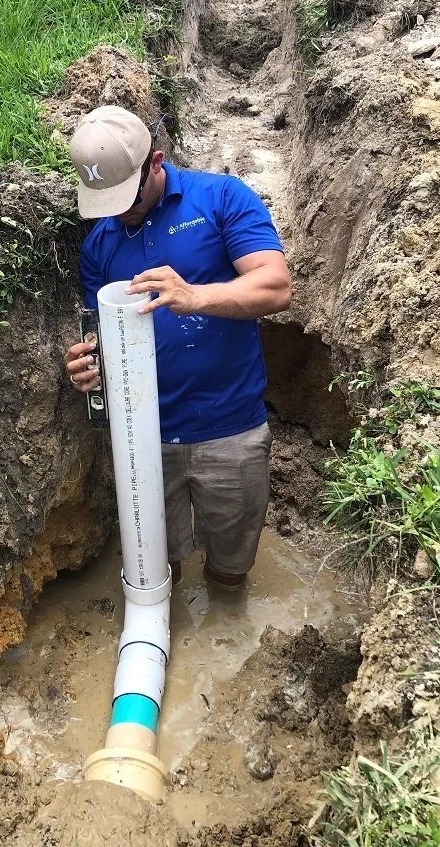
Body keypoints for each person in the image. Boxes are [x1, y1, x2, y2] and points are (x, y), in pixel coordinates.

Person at [64, 105, 292, 589]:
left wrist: (195, 296)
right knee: (157, 567)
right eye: (106, 200)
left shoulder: (221, 199)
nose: (118, 211)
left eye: (126, 195)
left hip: (231, 430)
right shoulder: (98, 246)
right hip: (143, 438)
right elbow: (102, 333)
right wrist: (91, 364)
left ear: (157, 161)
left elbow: (275, 287)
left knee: (230, 571)